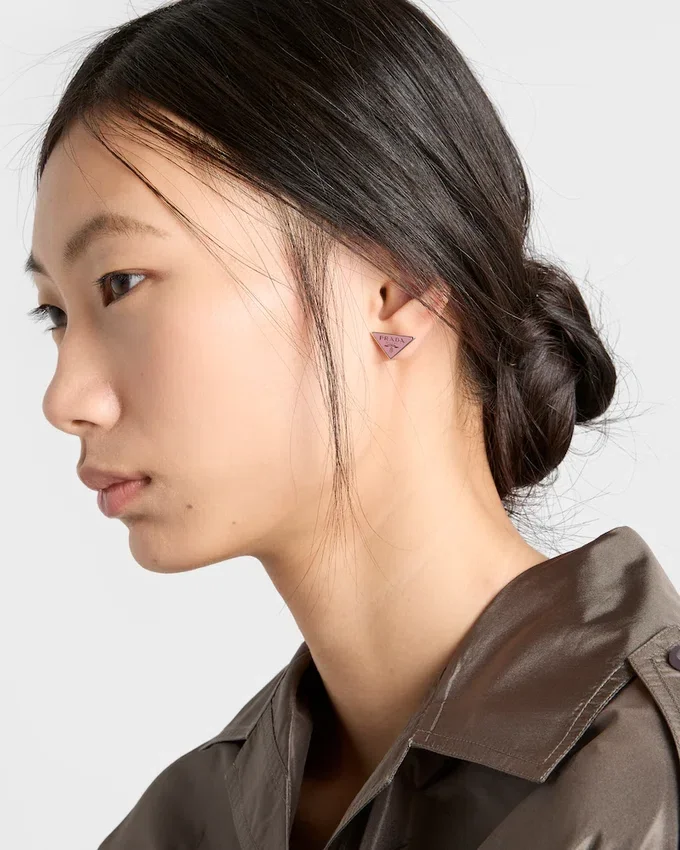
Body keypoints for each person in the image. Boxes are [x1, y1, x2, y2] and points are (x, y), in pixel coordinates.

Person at [23, 0, 680, 847]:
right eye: (55, 315)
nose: (65, 399)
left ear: (392, 287)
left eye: (120, 283)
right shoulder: (191, 820)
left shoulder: (645, 776)